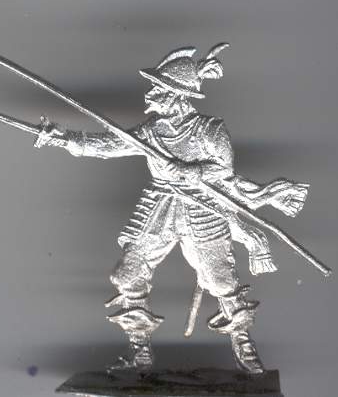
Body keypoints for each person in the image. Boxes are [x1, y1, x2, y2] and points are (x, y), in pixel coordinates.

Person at [34, 44, 308, 374]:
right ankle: (139, 349)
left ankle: (242, 341)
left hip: (202, 207)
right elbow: (110, 145)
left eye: (157, 89)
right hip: (160, 207)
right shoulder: (151, 131)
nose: (149, 95)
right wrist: (64, 138)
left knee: (221, 280)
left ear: (177, 95)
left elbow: (224, 168)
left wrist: (194, 171)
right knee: (128, 273)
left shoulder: (210, 129)